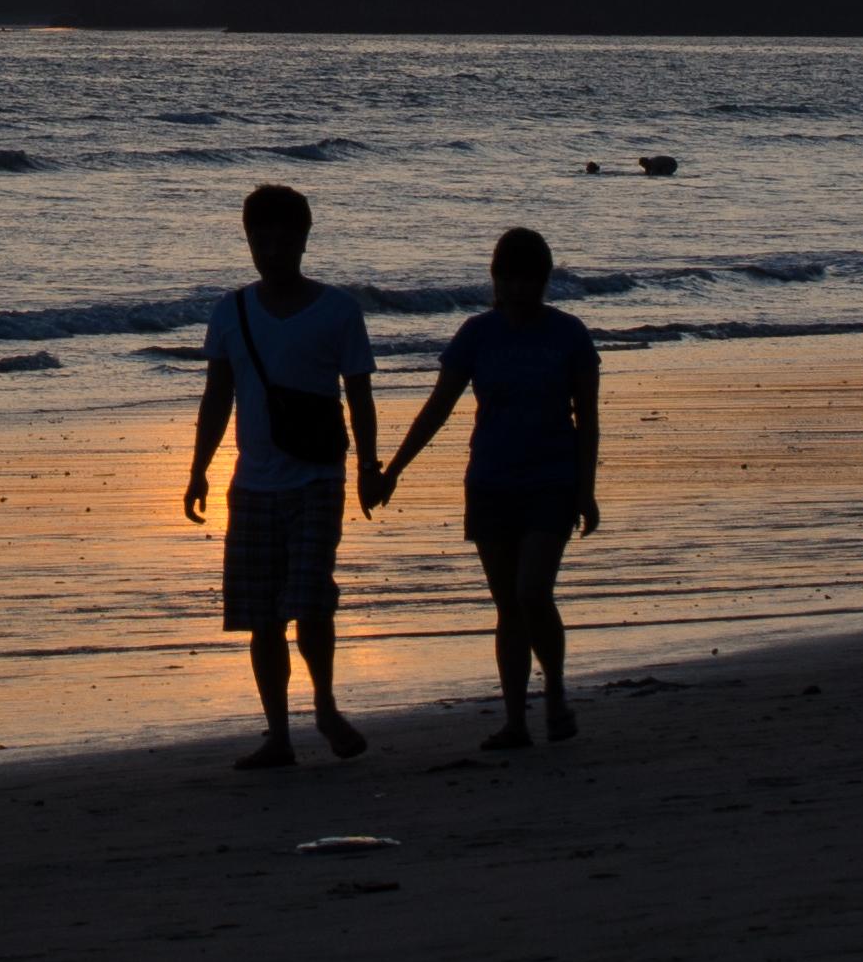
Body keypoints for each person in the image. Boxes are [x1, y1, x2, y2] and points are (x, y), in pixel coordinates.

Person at [375, 223, 605, 752]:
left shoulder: (569, 333)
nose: (519, 288)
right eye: (509, 277)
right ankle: (515, 721)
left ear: (545, 280)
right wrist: (395, 467)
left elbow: (587, 418)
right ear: (495, 279)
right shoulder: (477, 334)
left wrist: (586, 489)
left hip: (552, 480)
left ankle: (555, 692)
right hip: (490, 482)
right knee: (507, 606)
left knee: (532, 592)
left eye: (530, 278)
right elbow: (439, 406)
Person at [181, 182, 381, 768]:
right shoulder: (231, 311)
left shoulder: (338, 310)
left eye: (281, 235)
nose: (269, 247)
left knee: (312, 601)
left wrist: (370, 465)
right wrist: (198, 471)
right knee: (260, 615)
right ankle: (278, 734)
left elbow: (360, 396)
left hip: (318, 478)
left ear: (303, 238)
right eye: (258, 236)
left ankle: (323, 705)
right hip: (252, 485)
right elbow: (217, 397)